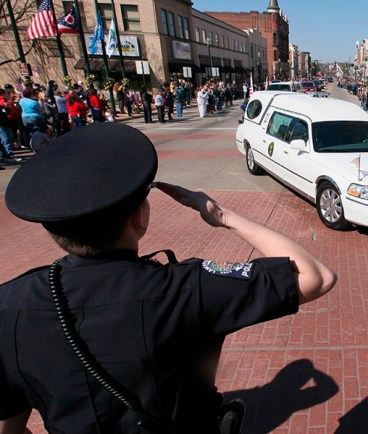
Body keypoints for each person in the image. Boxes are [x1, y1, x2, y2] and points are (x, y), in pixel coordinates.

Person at [0, 123, 336, 433]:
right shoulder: (185, 288)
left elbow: (10, 423)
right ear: (139, 217)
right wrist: (225, 217)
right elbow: (316, 276)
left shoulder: (9, 306)